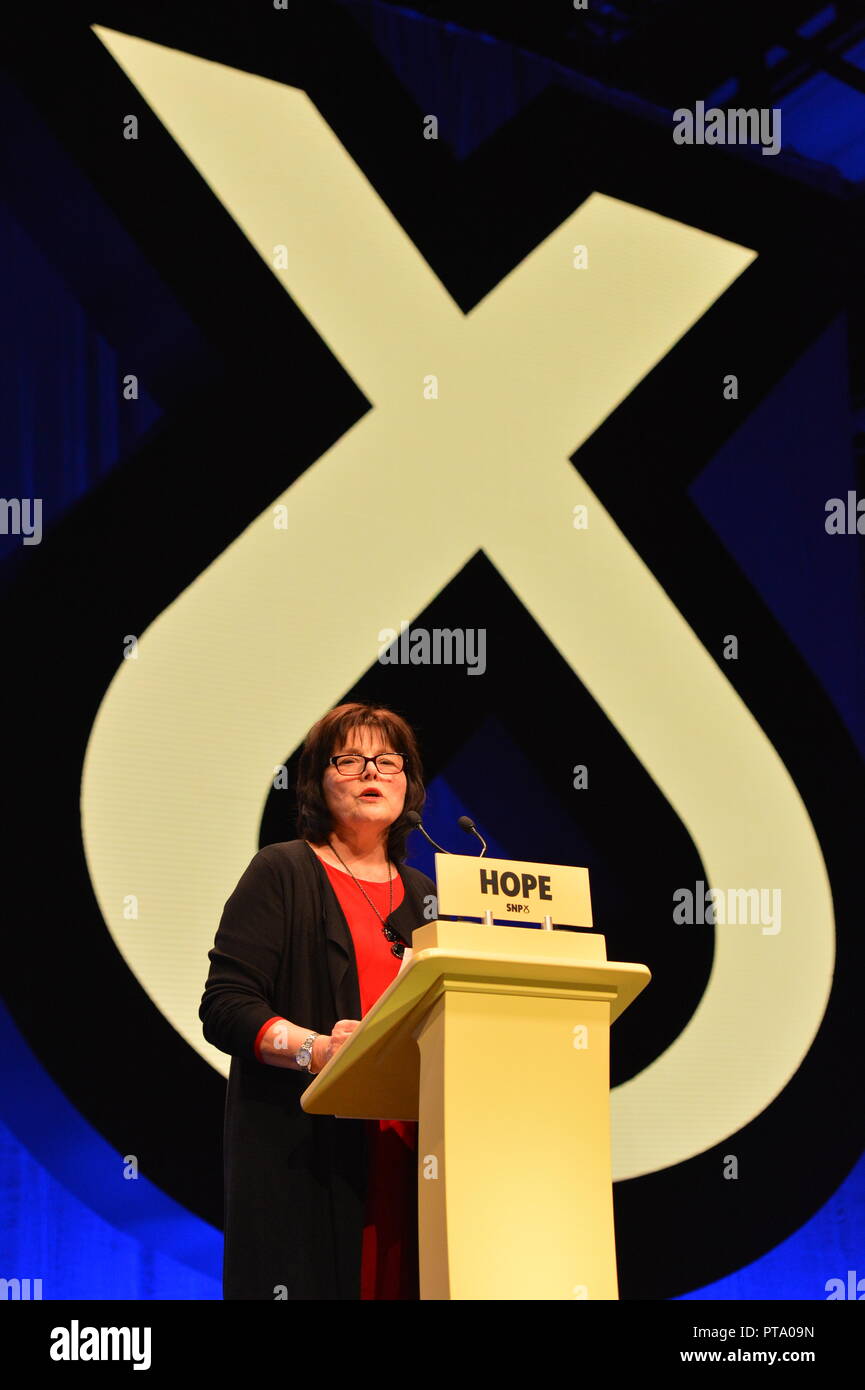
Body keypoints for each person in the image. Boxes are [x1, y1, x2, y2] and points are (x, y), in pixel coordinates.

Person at [199, 701, 437, 1300]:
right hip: (310, 1153)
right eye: (350, 759)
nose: (371, 772)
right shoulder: (282, 871)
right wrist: (316, 1051)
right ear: (316, 782)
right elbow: (226, 1005)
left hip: (415, 1157)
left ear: (407, 781)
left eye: (388, 760)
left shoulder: (425, 893)